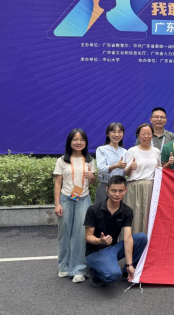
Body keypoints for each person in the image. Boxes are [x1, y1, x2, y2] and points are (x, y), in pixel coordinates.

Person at [84, 175, 148, 288]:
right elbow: (88, 236)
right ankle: (95, 273)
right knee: (113, 275)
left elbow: (128, 238)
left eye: (120, 191)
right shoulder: (93, 209)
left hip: (113, 248)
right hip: (95, 252)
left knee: (142, 238)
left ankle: (127, 271)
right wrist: (100, 241)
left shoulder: (127, 211)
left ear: (125, 190)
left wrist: (129, 264)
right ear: (107, 190)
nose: (117, 194)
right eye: (113, 190)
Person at [53, 128, 96, 283]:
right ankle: (64, 266)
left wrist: (92, 177)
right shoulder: (62, 160)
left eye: (82, 140)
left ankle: (78, 269)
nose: (79, 142)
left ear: (86, 142)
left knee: (80, 234)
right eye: (75, 139)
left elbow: (92, 182)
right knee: (64, 233)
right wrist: (57, 203)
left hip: (83, 198)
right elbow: (58, 183)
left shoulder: (90, 160)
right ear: (69, 142)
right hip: (66, 198)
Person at [125, 123, 161, 235]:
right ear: (138, 136)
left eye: (149, 134)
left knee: (148, 216)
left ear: (152, 135)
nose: (146, 136)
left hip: (151, 188)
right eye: (143, 134)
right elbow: (126, 172)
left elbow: (159, 169)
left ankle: (146, 241)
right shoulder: (132, 151)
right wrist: (130, 167)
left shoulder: (156, 151)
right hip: (135, 187)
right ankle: (131, 241)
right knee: (134, 216)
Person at [95, 122, 127, 205]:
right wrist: (116, 166)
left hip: (120, 188)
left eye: (119, 132)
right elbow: (101, 168)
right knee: (101, 210)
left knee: (118, 211)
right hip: (105, 186)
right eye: (113, 131)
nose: (116, 135)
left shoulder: (125, 152)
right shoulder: (101, 149)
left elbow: (127, 171)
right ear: (107, 134)